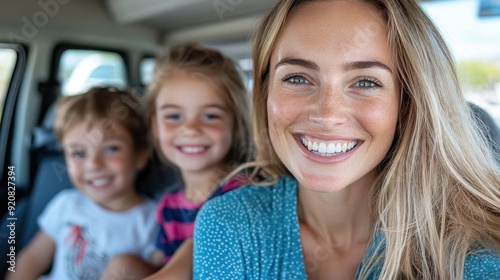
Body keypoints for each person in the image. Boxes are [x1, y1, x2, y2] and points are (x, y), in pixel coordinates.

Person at [193, 1, 500, 279]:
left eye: (366, 82)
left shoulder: (475, 252)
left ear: (407, 104)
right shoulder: (229, 226)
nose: (327, 114)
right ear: (265, 94)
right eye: (297, 78)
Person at [103, 44, 252, 280]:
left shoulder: (243, 195)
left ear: (235, 125)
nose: (190, 129)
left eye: (210, 115)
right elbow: (160, 264)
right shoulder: (169, 206)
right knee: (124, 265)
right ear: (155, 126)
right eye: (173, 116)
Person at [7, 87, 157, 280]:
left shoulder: (152, 221)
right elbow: (33, 259)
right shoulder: (67, 204)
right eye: (78, 153)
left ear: (140, 155)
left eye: (112, 149)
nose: (93, 165)